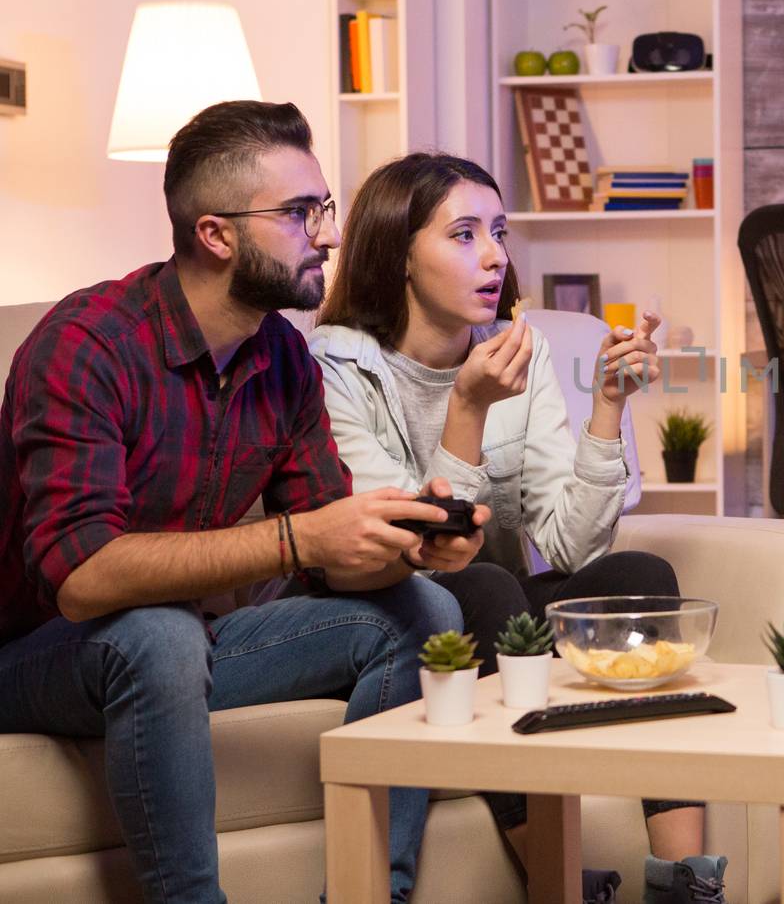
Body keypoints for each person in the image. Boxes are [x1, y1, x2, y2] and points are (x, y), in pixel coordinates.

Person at [0, 101, 488, 904]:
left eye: (322, 209)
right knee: (158, 632)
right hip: (40, 652)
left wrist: (407, 540)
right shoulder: (87, 344)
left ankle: (372, 894)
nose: (328, 235)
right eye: (301, 214)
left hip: (184, 644)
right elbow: (81, 579)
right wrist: (301, 539)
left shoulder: (282, 355)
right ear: (215, 234)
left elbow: (332, 560)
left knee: (424, 608)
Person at [313, 152, 727, 904]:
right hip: (401, 611)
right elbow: (417, 550)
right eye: (464, 234)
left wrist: (608, 403)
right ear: (396, 255)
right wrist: (466, 410)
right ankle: (560, 884)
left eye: (498, 231)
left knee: (640, 582)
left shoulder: (519, 351)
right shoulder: (338, 364)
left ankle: (686, 886)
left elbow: (570, 548)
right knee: (483, 585)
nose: (496, 255)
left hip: (500, 622)